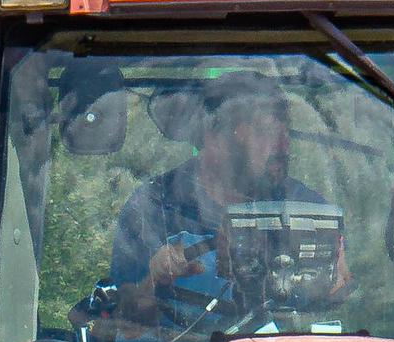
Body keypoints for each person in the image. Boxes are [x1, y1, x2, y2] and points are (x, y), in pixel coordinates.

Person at [102, 71, 334, 327]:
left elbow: (342, 307)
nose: (283, 146)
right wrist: (154, 279)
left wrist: (335, 283)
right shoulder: (154, 208)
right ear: (214, 136)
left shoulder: (308, 209)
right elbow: (123, 319)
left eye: (286, 131)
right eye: (265, 131)